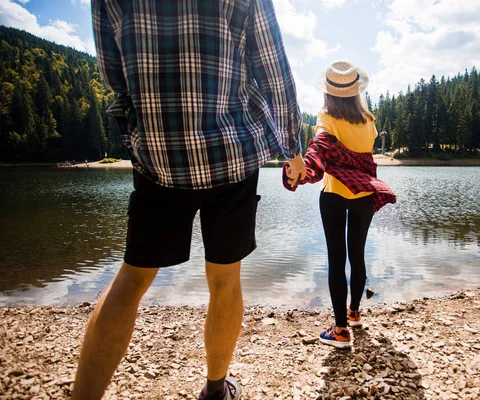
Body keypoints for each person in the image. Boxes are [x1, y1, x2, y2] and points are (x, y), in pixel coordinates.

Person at [73, 1, 306, 399]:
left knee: (131, 278)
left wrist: (143, 126)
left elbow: (112, 73)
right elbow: (274, 72)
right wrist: (292, 147)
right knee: (224, 278)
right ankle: (216, 389)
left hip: (159, 156)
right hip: (231, 153)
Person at [283, 60, 396, 349]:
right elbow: (360, 157)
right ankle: (355, 313)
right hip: (363, 195)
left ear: (328, 92)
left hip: (334, 196)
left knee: (337, 259)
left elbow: (319, 147)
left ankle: (341, 331)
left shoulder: (326, 117)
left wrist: (303, 169)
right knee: (357, 254)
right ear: (357, 91)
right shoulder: (369, 121)